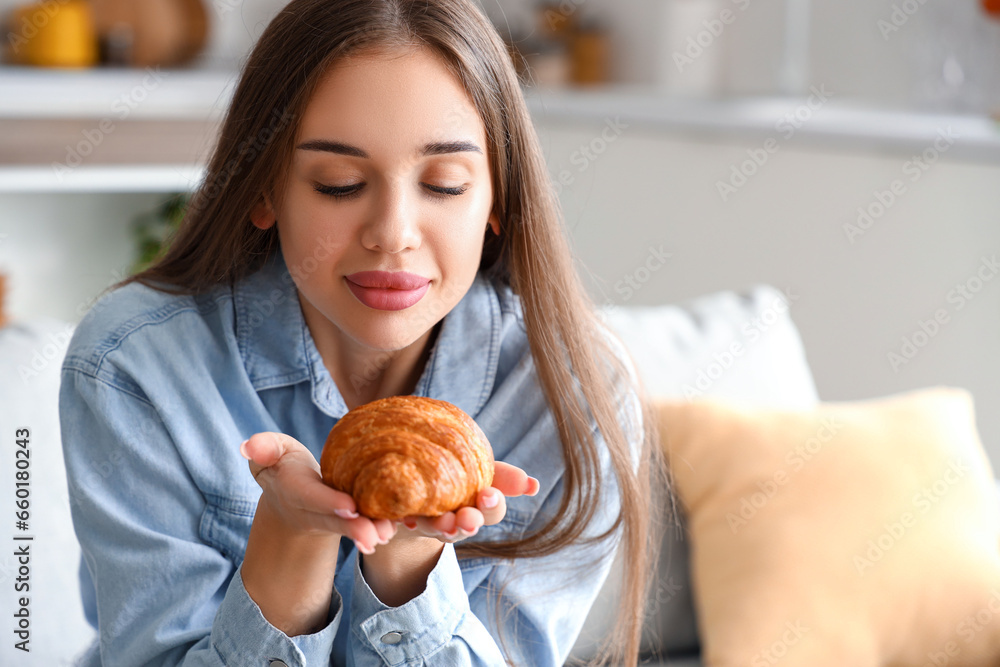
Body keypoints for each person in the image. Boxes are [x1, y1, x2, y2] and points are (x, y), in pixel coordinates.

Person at [59, 0, 662, 665]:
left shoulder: (569, 390)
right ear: (265, 190)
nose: (393, 232)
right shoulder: (136, 364)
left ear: (498, 199)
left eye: (445, 183)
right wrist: (291, 539)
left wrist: (408, 564)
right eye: (340, 184)